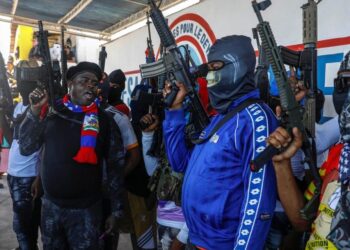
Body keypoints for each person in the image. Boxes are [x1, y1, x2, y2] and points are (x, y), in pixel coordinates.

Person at [163, 35, 278, 249]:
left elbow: (259, 199)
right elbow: (180, 164)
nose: (211, 75)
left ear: (239, 66)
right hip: (197, 240)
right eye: (209, 69)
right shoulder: (221, 118)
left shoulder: (255, 118)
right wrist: (174, 111)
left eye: (216, 67)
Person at [19, 62, 125, 249]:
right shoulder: (51, 113)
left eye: (94, 83)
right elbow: (26, 147)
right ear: (70, 84)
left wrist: (116, 211)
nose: (90, 86)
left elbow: (115, 166)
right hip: (51, 209)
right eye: (84, 81)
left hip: (87, 212)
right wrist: (34, 112)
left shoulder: (105, 121)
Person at [7, 60, 42, 250]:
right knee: (24, 226)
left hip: (28, 176)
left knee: (23, 227)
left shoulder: (39, 107)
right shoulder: (18, 107)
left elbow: (44, 145)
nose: (22, 82)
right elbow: (13, 139)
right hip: (14, 174)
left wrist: (39, 176)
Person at [140, 113, 188, 250]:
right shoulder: (169, 135)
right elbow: (153, 171)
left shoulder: (193, 136)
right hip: (164, 221)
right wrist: (147, 135)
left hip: (184, 226)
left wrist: (184, 235)